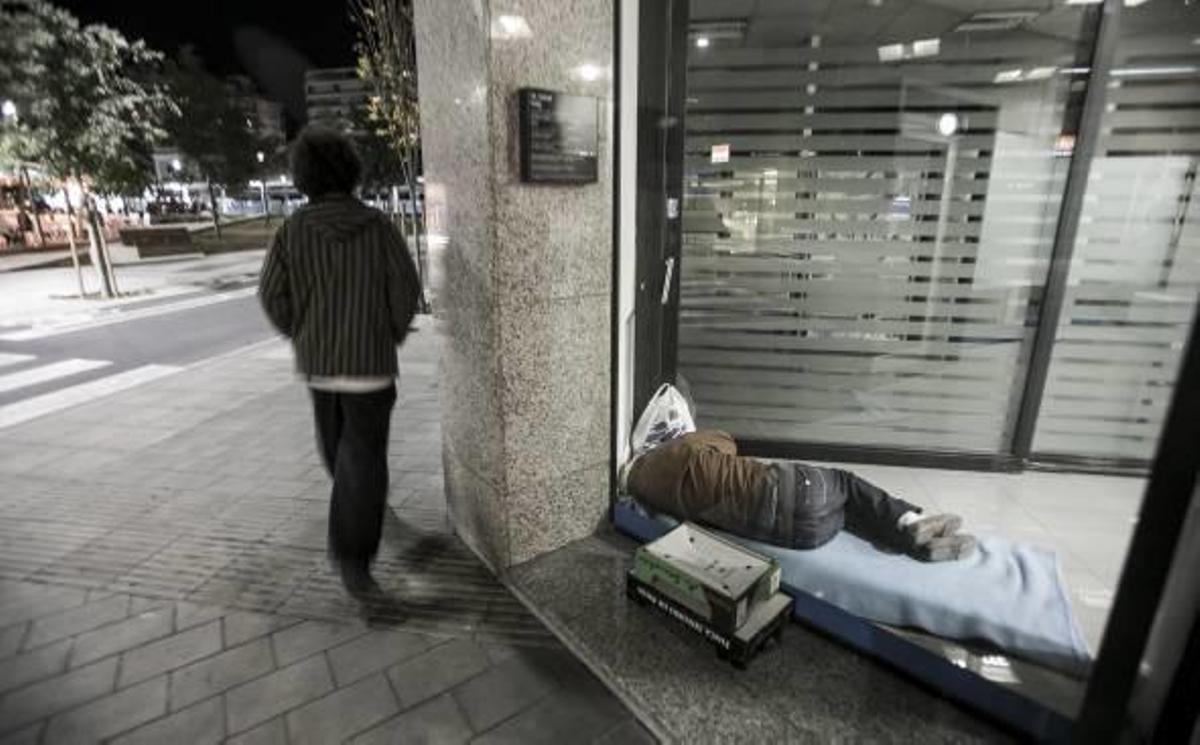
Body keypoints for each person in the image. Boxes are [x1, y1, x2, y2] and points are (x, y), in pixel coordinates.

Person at [258, 126, 421, 597]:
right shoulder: (378, 228)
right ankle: (355, 555)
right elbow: (406, 290)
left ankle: (356, 518)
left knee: (337, 449)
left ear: (303, 176)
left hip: (321, 366)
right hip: (370, 366)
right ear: (351, 171)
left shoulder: (291, 232)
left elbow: (272, 295)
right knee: (363, 459)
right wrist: (388, 331)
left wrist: (302, 332)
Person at [622, 429, 977, 562]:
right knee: (846, 484)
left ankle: (915, 544)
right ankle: (909, 521)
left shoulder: (654, 499)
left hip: (806, 536)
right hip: (795, 495)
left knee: (850, 513)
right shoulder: (672, 454)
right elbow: (725, 440)